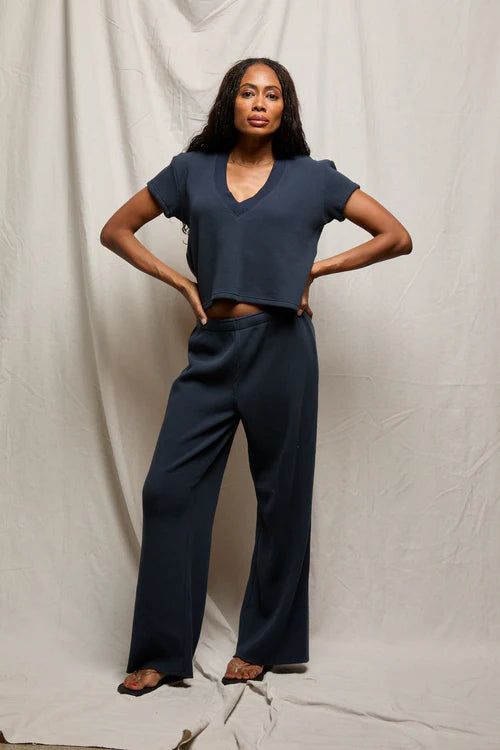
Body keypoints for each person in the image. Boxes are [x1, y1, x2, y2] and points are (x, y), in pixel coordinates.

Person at [100, 57, 412, 696]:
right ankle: (160, 652)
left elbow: (395, 235)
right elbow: (116, 229)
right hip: (212, 349)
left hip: (283, 347)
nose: (260, 102)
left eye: (272, 94)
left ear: (285, 106)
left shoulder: (314, 179)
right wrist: (180, 282)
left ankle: (265, 645)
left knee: (282, 496)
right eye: (248, 92)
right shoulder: (190, 172)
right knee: (169, 490)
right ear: (231, 102)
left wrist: (315, 271)